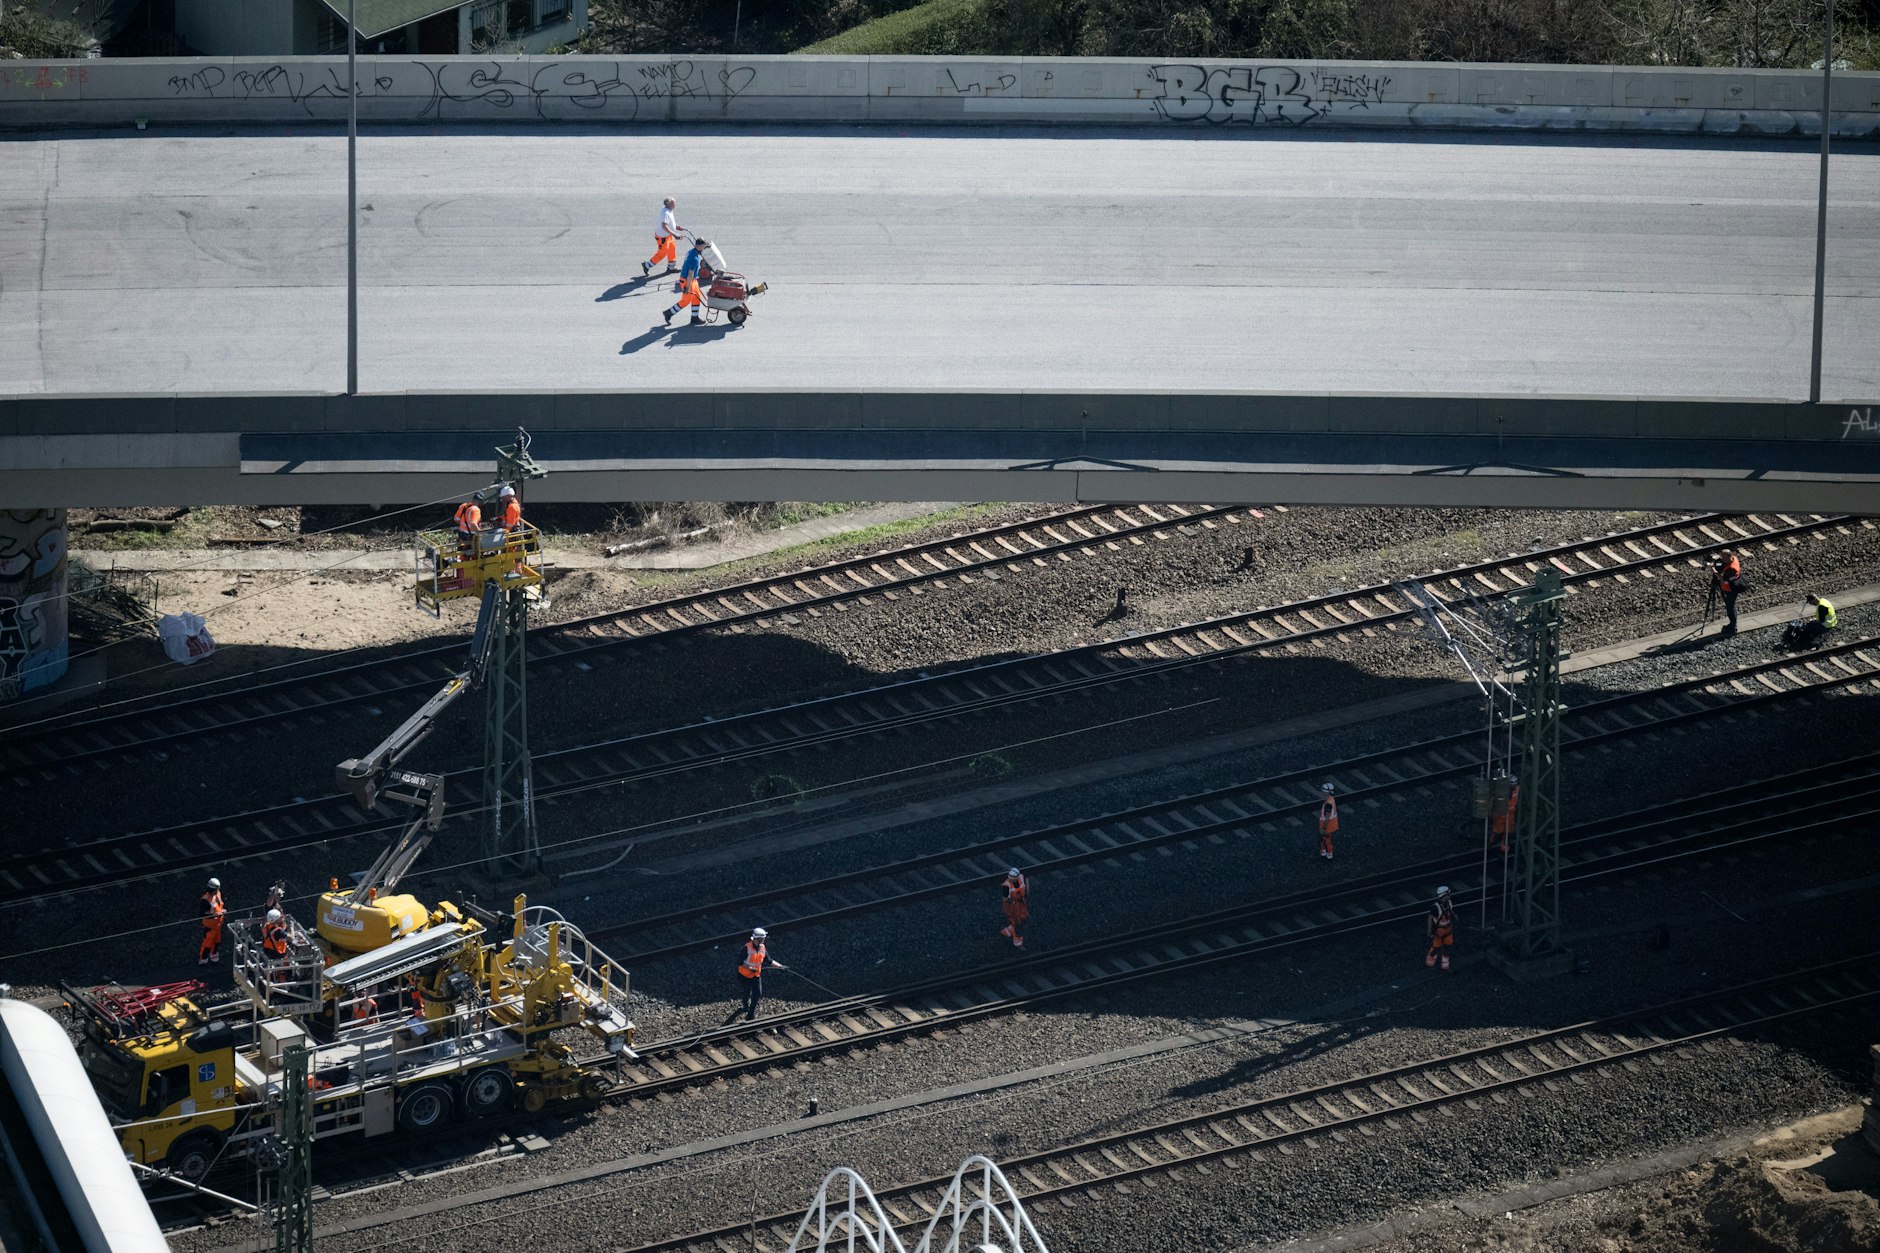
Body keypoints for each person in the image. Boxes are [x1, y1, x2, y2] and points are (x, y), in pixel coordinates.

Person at [736, 927, 784, 1021]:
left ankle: (750, 1014)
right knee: (747, 992)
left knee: (758, 993)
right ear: (756, 939)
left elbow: (769, 960)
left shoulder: (762, 947)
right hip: (744, 976)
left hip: (756, 975)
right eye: (762, 939)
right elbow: (739, 962)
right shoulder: (746, 948)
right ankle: (745, 1005)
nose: (764, 940)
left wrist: (780, 966)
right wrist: (750, 968)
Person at [664, 238, 709, 327]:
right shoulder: (694, 259)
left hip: (693, 280)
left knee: (696, 298)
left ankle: (694, 318)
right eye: (703, 246)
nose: (704, 248)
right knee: (686, 301)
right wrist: (687, 287)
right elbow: (690, 273)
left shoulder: (691, 252)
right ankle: (668, 313)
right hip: (687, 281)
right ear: (699, 246)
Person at [641, 197, 683, 278]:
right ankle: (647, 265)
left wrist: (676, 226)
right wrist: (675, 234)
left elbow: (669, 222)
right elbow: (664, 226)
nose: (675, 204)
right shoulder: (666, 213)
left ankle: (671, 267)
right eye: (673, 203)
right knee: (662, 253)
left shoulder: (669, 210)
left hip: (668, 235)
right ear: (668, 204)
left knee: (672, 249)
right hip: (663, 237)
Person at [1710, 551, 1742, 636]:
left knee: (1730, 606)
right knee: (1730, 605)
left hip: (1730, 589)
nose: (1722, 559)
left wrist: (1714, 570)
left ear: (1729, 556)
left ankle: (1733, 626)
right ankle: (1732, 624)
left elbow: (1723, 579)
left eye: (1724, 558)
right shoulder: (1734, 558)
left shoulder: (1732, 568)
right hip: (1733, 584)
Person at [1425, 886, 1455, 971]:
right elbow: (1430, 918)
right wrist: (1429, 931)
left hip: (1448, 929)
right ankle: (1430, 962)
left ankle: (1445, 965)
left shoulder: (1449, 903)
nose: (1449, 895)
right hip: (1438, 931)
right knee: (1436, 947)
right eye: (1448, 894)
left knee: (1448, 947)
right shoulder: (1435, 907)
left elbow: (1450, 912)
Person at [198, 877, 225, 965]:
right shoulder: (205, 900)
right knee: (207, 944)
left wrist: (222, 911)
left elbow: (218, 906)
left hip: (218, 925)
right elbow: (201, 914)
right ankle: (203, 960)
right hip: (210, 926)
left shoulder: (218, 894)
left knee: (217, 941)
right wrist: (213, 916)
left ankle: (213, 955)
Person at [999, 868, 1029, 949]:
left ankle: (1009, 931)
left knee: (1023, 917)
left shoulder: (1021, 877)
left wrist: (1026, 894)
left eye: (1013, 876)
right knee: (1015, 921)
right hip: (1011, 906)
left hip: (1020, 904)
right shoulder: (1006, 886)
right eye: (1010, 876)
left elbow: (1025, 882)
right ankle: (1017, 941)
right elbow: (1005, 899)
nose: (1010, 878)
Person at [1318, 782, 1338, 860]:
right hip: (1331, 824)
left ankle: (1329, 853)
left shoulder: (1328, 804)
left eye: (1323, 792)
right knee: (1324, 838)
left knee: (1327, 839)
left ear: (1326, 792)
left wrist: (1323, 827)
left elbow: (1327, 817)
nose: (1322, 793)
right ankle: (1323, 851)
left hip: (1328, 825)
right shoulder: (1331, 799)